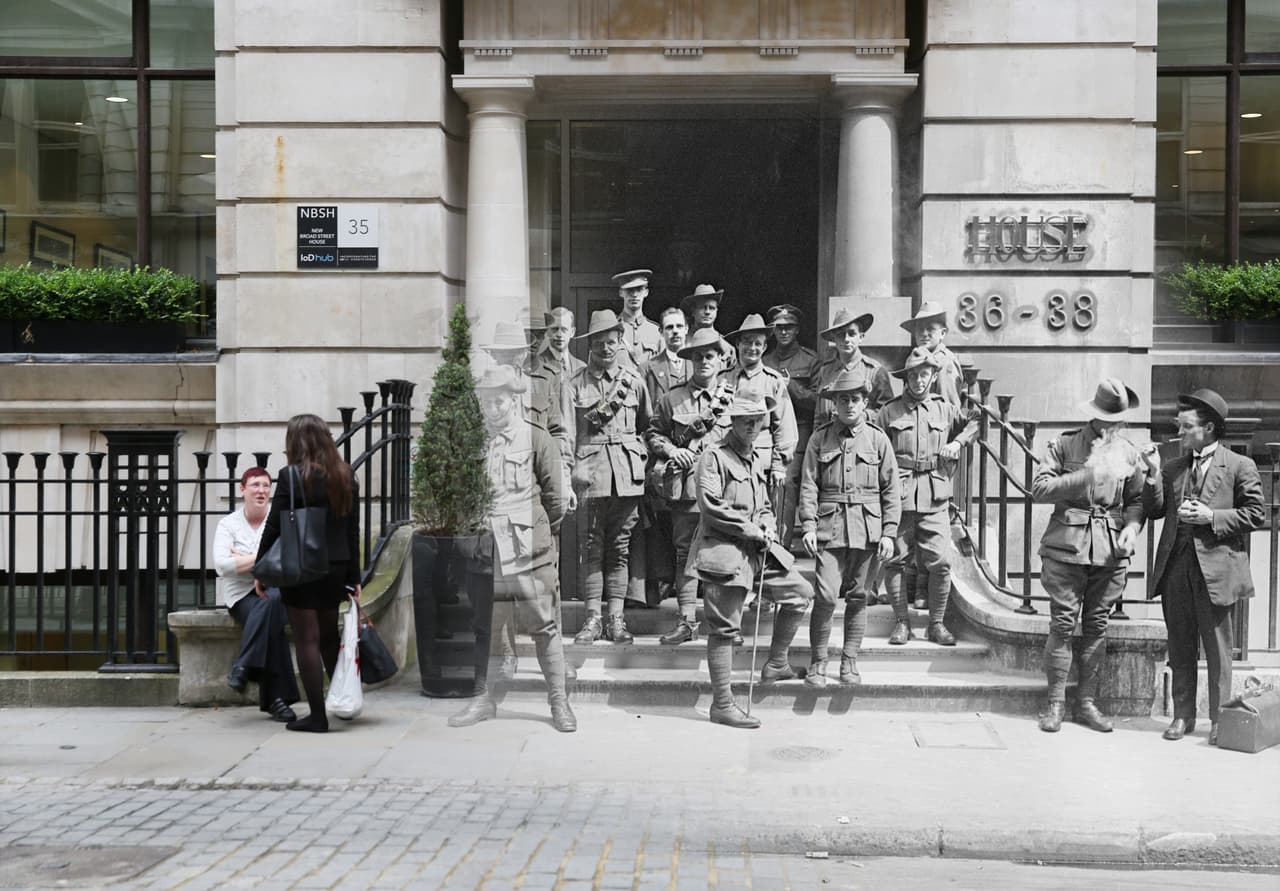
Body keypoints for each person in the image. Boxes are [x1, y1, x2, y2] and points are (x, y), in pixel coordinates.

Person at [447, 365, 577, 733]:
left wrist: (534, 537)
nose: (491, 408)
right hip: (485, 554)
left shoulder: (536, 438)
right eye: (486, 400)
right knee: (484, 627)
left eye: (498, 401)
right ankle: (483, 699)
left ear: (515, 398)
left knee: (544, 626)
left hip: (528, 553)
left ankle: (558, 702)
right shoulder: (473, 441)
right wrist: (466, 540)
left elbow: (555, 502)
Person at [1142, 389, 1265, 745]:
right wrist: (1151, 475)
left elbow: (1256, 514)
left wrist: (1212, 516)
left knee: (1218, 650)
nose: (1179, 434)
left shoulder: (1240, 465)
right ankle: (1183, 717)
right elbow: (1153, 510)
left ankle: (1219, 720)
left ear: (1208, 428)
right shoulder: (1174, 467)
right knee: (1180, 646)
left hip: (1216, 571)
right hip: (1176, 567)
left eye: (1186, 427)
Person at [688, 386, 815, 729]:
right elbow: (711, 506)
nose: (753, 425)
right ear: (734, 420)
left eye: (759, 419)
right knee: (724, 629)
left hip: (759, 550)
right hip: (725, 550)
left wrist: (768, 524)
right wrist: (751, 529)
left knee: (801, 594)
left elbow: (765, 506)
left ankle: (776, 663)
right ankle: (723, 704)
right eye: (746, 419)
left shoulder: (755, 459)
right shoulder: (713, 456)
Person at [1030, 379, 1145, 734]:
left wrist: (1132, 528)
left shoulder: (1128, 452)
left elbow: (1138, 501)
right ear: (1095, 417)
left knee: (1097, 627)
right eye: (1109, 420)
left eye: (1120, 421)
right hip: (1066, 549)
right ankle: (1055, 704)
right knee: (1063, 625)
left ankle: (1087, 703)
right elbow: (1040, 489)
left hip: (1109, 553)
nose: (1115, 427)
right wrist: (1087, 475)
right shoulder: (1064, 444)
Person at [255, 413, 361, 733]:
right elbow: (351, 529)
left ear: (295, 442)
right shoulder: (345, 475)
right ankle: (341, 700)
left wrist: (262, 568)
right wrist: (354, 576)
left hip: (303, 564)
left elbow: (274, 525)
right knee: (329, 637)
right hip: (336, 565)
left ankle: (317, 716)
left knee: (307, 639)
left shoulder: (291, 476)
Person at [798, 369, 901, 686]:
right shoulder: (820, 439)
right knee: (826, 596)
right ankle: (818, 662)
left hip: (868, 531)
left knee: (859, 597)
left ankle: (849, 662)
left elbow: (892, 490)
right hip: (829, 529)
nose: (849, 405)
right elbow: (809, 485)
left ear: (865, 402)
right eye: (843, 399)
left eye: (855, 399)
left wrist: (889, 532)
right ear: (834, 404)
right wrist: (808, 525)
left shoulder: (878, 439)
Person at [877, 348, 978, 647]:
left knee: (941, 562)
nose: (919, 381)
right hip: (900, 495)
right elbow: (876, 451)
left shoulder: (944, 409)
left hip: (935, 496)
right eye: (913, 375)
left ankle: (936, 624)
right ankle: (901, 623)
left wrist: (958, 442)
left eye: (924, 374)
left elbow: (975, 420)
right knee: (895, 561)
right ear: (905, 378)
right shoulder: (889, 411)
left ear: (933, 377)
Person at [568, 309, 654, 644]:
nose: (606, 348)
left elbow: (648, 427)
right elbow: (568, 431)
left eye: (612, 342)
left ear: (620, 343)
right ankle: (592, 619)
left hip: (627, 478)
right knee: (591, 548)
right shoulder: (575, 385)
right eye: (600, 342)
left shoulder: (633, 383)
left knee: (619, 549)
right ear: (590, 344)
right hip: (590, 476)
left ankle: (616, 619)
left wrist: (641, 459)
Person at [644, 327, 734, 644]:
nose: (704, 361)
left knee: (721, 555)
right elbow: (653, 433)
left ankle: (722, 625)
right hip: (687, 488)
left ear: (721, 359)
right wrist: (673, 450)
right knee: (685, 554)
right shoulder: (672, 398)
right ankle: (687, 622)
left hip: (723, 490)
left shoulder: (731, 399)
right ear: (690, 360)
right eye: (698, 356)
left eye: (710, 355)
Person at [213, 467, 299, 723]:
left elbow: (287, 560)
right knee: (270, 620)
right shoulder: (228, 524)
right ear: (243, 490)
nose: (261, 491)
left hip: (277, 592)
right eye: (255, 485)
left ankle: (244, 665)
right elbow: (222, 565)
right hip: (241, 597)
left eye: (265, 486)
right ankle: (278, 700)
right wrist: (264, 561)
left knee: (272, 601)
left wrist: (244, 561)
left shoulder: (278, 521)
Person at [635, 305, 692, 607]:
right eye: (668, 327)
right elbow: (645, 415)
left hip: (692, 455)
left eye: (679, 326)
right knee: (660, 517)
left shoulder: (698, 363)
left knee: (689, 518)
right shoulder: (648, 367)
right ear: (661, 333)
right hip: (660, 452)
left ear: (687, 329)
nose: (674, 332)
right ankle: (664, 578)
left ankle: (689, 584)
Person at [723, 313, 798, 498]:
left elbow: (784, 426)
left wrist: (779, 465)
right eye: (747, 342)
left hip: (761, 463)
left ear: (765, 347)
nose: (752, 348)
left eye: (758, 343)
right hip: (727, 460)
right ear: (738, 344)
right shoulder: (722, 378)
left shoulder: (773, 381)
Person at [764, 303, 819, 549]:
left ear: (797, 330)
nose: (784, 332)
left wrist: (791, 387)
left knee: (785, 483)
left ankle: (780, 547)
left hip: (798, 431)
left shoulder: (810, 360)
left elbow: (819, 402)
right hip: (766, 432)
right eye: (779, 328)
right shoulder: (764, 360)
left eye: (789, 328)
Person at [811, 309, 894, 424]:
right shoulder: (825, 371)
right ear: (834, 339)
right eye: (840, 335)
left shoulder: (875, 371)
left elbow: (887, 412)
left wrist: (861, 416)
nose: (846, 339)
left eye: (851, 334)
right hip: (829, 438)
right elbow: (819, 415)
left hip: (862, 438)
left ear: (861, 337)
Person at [899, 302, 963, 407]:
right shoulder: (917, 358)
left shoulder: (944, 363)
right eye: (919, 329)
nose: (924, 334)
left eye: (930, 329)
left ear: (942, 333)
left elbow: (948, 411)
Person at [613, 268, 663, 369]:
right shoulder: (611, 328)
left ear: (646, 292)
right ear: (621, 293)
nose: (634, 294)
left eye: (639, 289)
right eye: (629, 290)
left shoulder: (657, 332)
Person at [681, 283, 737, 368]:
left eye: (711, 308)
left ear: (716, 311)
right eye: (702, 307)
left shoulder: (727, 348)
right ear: (693, 311)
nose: (707, 312)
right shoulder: (680, 342)